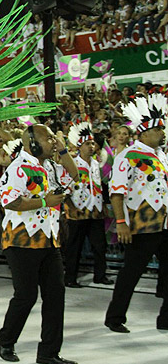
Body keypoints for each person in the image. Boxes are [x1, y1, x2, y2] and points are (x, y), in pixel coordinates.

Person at [0, 124, 79, 364]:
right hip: (21, 240)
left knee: (55, 295)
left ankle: (48, 352)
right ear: (32, 143)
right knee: (26, 295)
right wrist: (45, 201)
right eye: (49, 138)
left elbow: (74, 176)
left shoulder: (50, 166)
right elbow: (9, 201)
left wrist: (63, 152)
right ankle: (6, 339)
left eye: (54, 138)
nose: (54, 141)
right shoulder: (17, 168)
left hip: (48, 238)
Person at [105, 94, 168, 333]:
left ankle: (165, 318)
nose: (162, 132)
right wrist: (121, 222)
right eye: (157, 129)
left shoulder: (161, 155)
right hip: (141, 225)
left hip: (163, 223)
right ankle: (115, 317)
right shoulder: (127, 156)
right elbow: (117, 193)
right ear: (142, 134)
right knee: (131, 272)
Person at [63, 122, 112, 287]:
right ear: (79, 146)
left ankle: (100, 275)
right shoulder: (73, 164)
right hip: (78, 210)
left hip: (96, 210)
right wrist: (70, 206)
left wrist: (104, 203)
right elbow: (65, 188)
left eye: (92, 143)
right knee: (74, 247)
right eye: (87, 144)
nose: (91, 146)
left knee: (100, 245)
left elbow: (99, 186)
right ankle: (70, 277)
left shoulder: (96, 163)